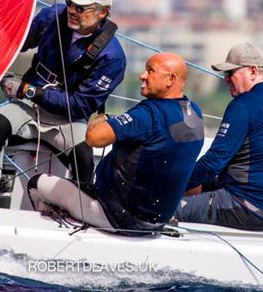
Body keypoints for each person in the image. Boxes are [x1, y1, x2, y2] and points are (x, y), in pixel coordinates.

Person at [0, 0, 126, 206]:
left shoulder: (112, 57)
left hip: (67, 118)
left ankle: (79, 217)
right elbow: (15, 42)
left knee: (84, 158)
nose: (72, 10)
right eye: (69, 2)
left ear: (102, 13)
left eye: (81, 7)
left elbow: (79, 106)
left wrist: (28, 91)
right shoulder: (51, 17)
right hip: (29, 107)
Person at [27, 53, 204, 236]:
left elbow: (93, 138)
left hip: (117, 217)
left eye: (150, 71)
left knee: (36, 184)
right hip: (157, 221)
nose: (142, 76)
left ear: (170, 79)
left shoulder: (149, 113)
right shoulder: (195, 113)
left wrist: (103, 118)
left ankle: (51, 241)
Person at [176, 42, 263, 231]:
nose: (226, 79)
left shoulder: (243, 105)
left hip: (248, 208)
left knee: (157, 208)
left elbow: (213, 162)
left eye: (230, 74)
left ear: (253, 71)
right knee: (195, 185)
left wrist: (173, 186)